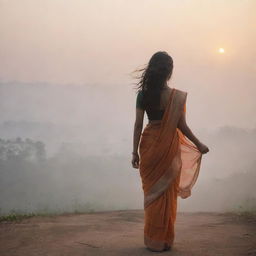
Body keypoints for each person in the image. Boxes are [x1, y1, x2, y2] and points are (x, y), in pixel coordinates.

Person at [131, 51, 209, 252]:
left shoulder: (143, 95)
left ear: (151, 70)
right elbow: (182, 125)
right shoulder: (177, 97)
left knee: (153, 194)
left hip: (148, 146)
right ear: (169, 72)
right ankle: (165, 240)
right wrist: (198, 143)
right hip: (169, 147)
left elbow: (138, 126)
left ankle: (153, 240)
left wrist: (134, 153)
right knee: (166, 194)